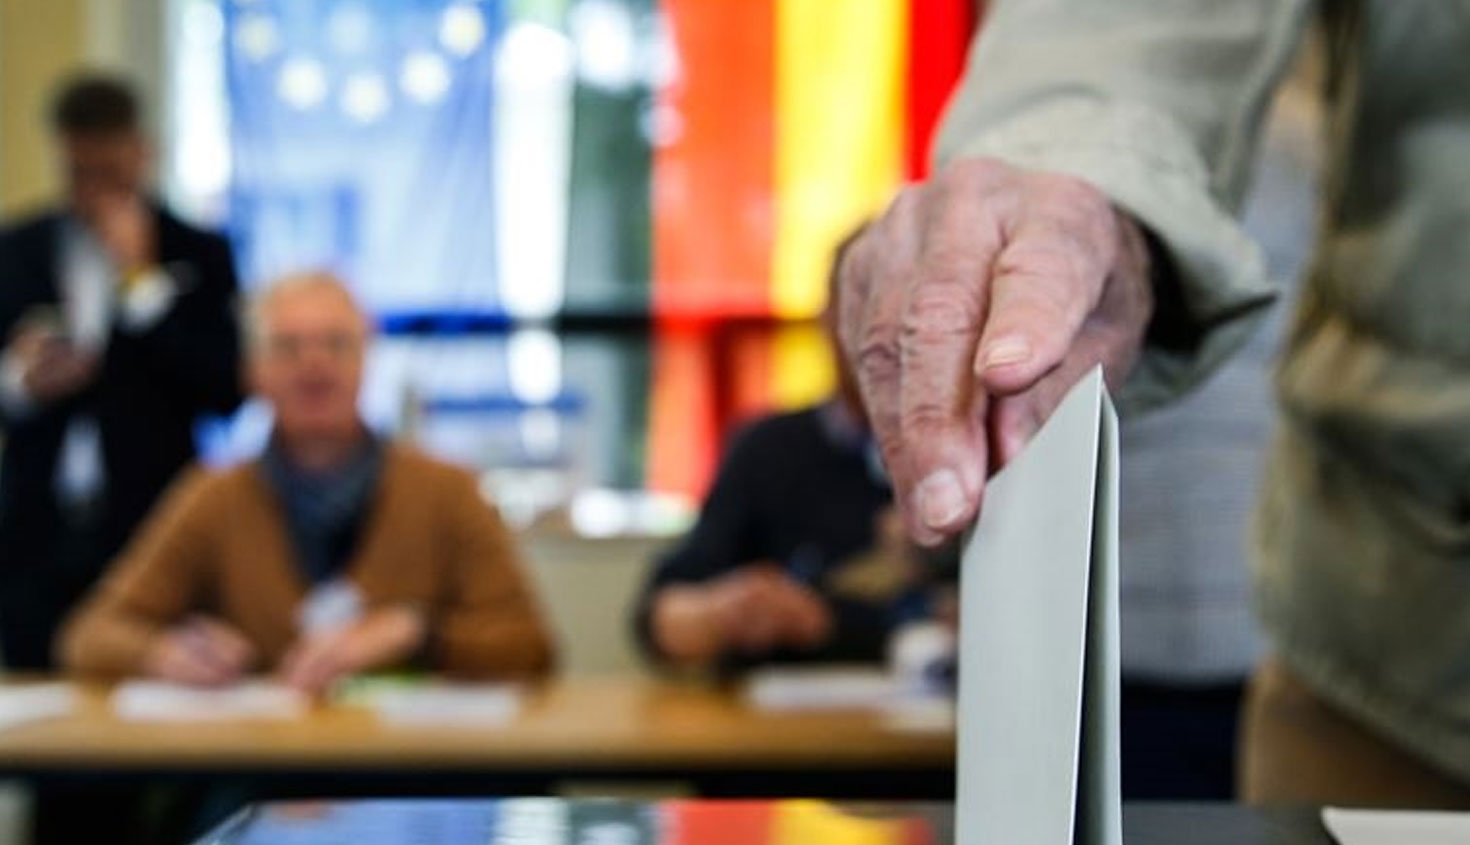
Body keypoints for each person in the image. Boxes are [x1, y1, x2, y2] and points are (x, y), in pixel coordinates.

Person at [837, 1, 1470, 810]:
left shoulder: (1293, 153)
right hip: (1403, 657)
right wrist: (1061, 168)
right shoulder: (1275, 157)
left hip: (1285, 614)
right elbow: (1120, 36)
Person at [60, 271, 557, 689]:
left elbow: (530, 646)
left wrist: (419, 634)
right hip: (264, 772)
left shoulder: (445, 490)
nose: (313, 365)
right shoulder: (214, 496)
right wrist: (164, 652)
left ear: (366, 360)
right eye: (288, 347)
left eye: (336, 344)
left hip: (412, 774)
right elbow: (89, 637)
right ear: (253, 370)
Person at [0, 73, 244, 671]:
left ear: (142, 152)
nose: (94, 191)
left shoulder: (197, 251)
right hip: (39, 529)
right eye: (79, 173)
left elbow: (225, 386)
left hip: (155, 523)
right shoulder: (18, 249)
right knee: (42, 710)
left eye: (109, 172)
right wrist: (19, 382)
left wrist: (141, 282)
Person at [637, 236, 956, 672]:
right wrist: (725, 612)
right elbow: (662, 613)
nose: (884, 341)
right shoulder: (770, 450)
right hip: (798, 728)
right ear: (828, 322)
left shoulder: (987, 450)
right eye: (861, 314)